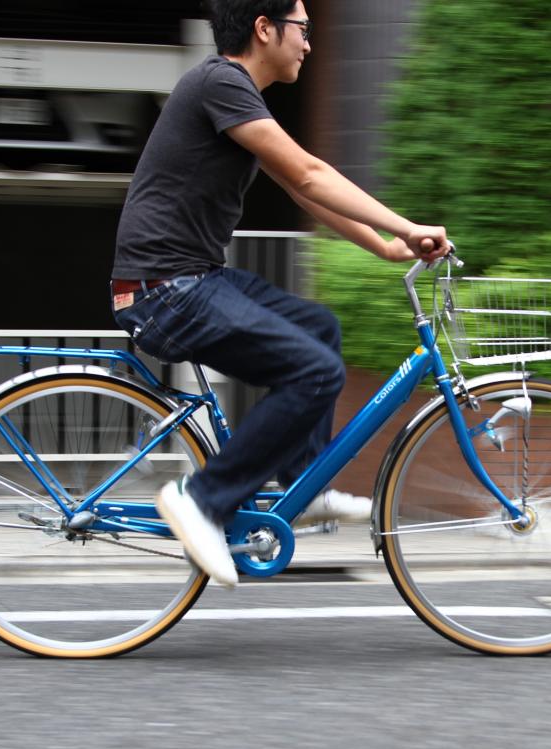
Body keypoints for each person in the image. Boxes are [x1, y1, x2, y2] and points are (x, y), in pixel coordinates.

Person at [110, 0, 449, 588]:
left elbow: (306, 194)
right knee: (315, 371)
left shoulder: (237, 97)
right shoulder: (221, 81)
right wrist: (407, 226)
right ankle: (201, 499)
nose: (309, 44)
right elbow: (309, 174)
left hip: (189, 279)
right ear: (264, 29)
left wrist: (387, 247)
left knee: (319, 329)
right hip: (164, 289)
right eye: (303, 30)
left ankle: (302, 483)